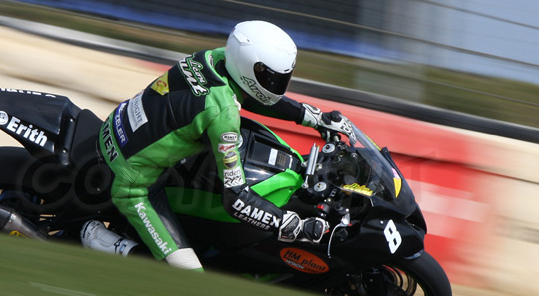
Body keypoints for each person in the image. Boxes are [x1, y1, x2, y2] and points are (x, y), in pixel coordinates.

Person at [81, 20, 351, 271]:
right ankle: (103, 241)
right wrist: (289, 224)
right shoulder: (223, 114)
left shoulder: (214, 58)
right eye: (272, 78)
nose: (278, 85)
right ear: (249, 67)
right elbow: (235, 199)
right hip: (132, 183)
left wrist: (315, 118)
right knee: (187, 274)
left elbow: (255, 96)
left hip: (118, 127)